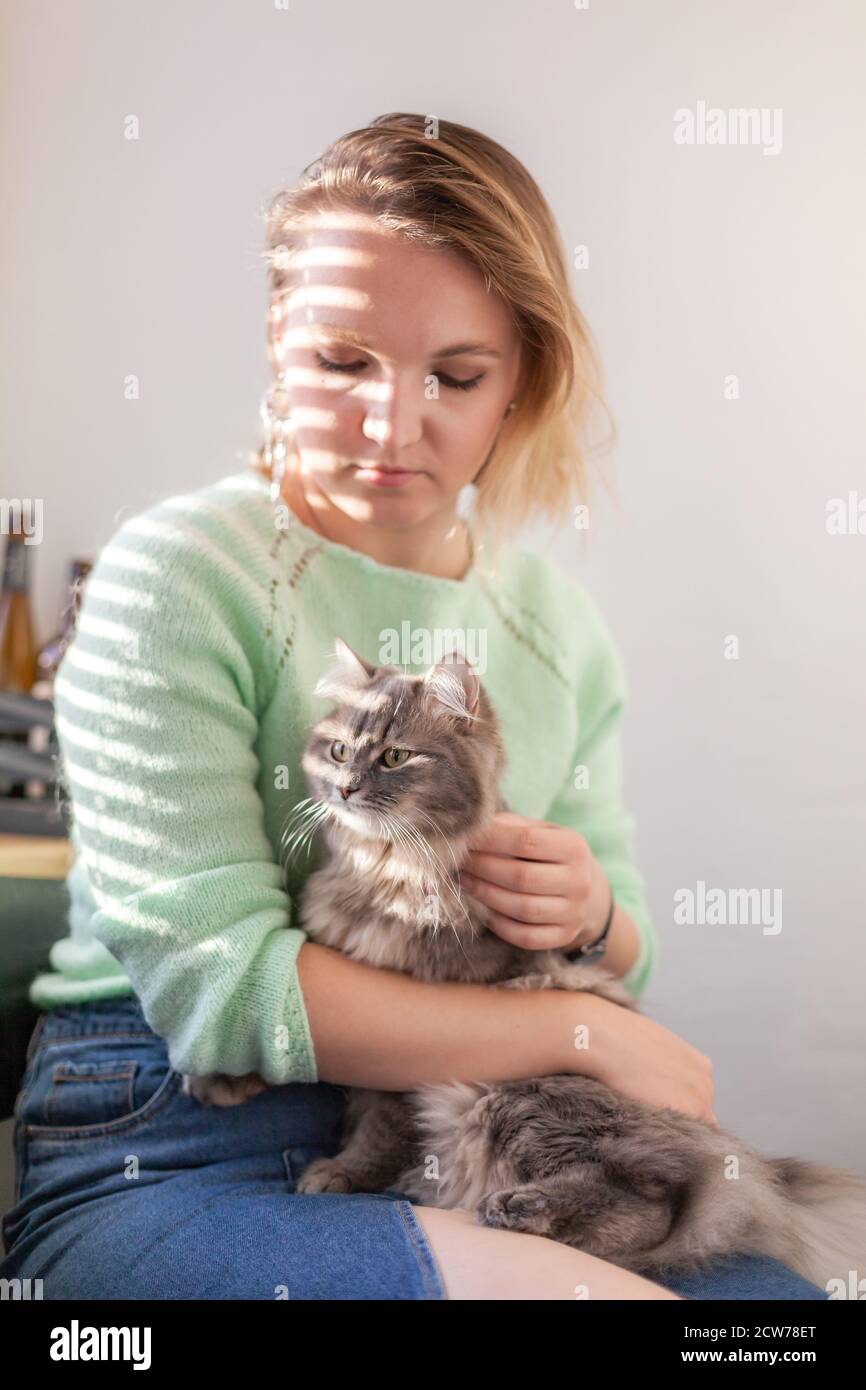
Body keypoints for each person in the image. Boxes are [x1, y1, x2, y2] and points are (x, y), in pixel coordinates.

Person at [1, 113, 826, 1301]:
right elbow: (222, 995)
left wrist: (587, 914)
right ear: (277, 349)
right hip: (178, 1135)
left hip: (487, 1127)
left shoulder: (555, 627)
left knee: (777, 1319)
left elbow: (625, 939)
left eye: (455, 374)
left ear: (520, 384)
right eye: (342, 362)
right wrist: (581, 1032)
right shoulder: (177, 576)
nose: (394, 425)